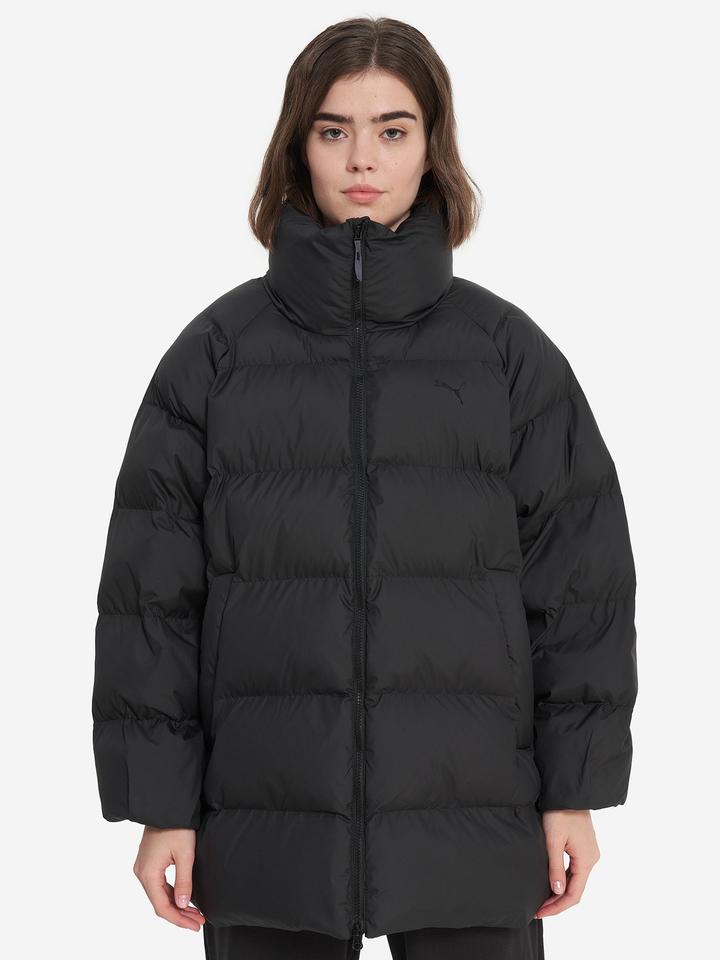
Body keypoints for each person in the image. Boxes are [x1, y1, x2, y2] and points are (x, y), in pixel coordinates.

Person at [91, 16, 638, 960]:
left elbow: (580, 588)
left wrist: (573, 789)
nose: (362, 159)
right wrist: (161, 806)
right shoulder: (215, 357)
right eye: (333, 129)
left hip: (473, 815)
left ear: (433, 147)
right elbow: (151, 602)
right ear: (296, 145)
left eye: (393, 129)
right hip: (266, 822)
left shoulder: (507, 357)